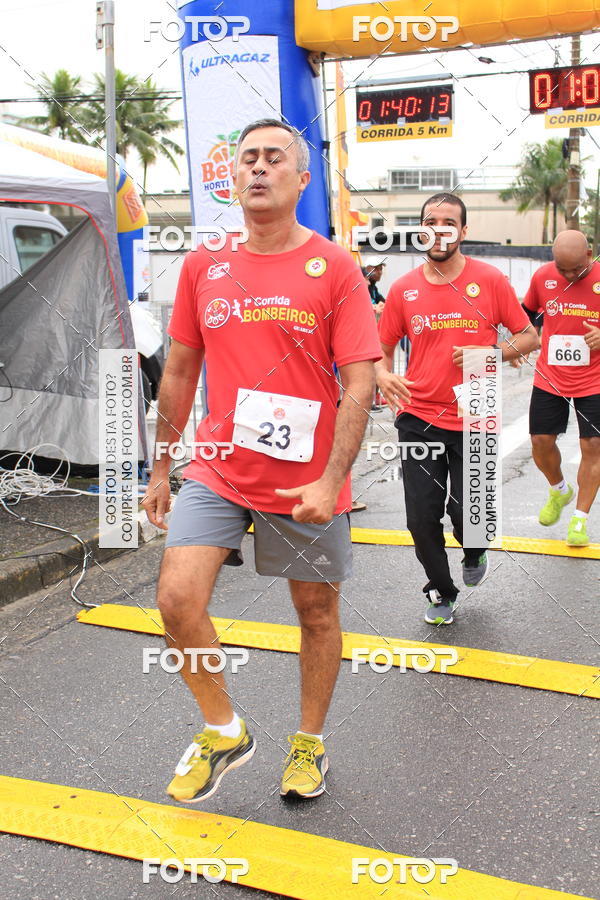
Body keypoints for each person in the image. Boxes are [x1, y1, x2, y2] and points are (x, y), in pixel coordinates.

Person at [143, 118, 381, 803]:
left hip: (306, 477)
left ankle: (308, 743)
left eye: (274, 158)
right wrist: (162, 469)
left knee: (314, 615)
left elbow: (359, 380)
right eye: (247, 158)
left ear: (301, 179)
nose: (258, 168)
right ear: (233, 176)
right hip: (218, 467)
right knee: (175, 597)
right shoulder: (204, 264)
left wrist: (331, 478)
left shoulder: (334, 266)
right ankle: (223, 729)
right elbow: (181, 372)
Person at [375, 192, 539, 625]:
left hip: (476, 412)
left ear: (463, 231)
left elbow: (528, 337)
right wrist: (383, 375)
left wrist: (491, 353)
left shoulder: (490, 280)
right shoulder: (402, 289)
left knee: (471, 511)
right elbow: (380, 348)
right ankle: (440, 592)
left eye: (450, 221)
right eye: (432, 220)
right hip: (418, 417)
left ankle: (474, 545)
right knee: (420, 517)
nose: (440, 228)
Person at [522, 230, 600, 547]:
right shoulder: (542, 276)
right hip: (550, 374)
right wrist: (519, 345)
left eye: (575, 270)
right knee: (540, 441)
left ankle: (579, 521)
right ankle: (559, 490)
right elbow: (525, 315)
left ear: (590, 253)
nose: (568, 275)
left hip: (594, 377)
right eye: (562, 269)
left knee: (593, 446)